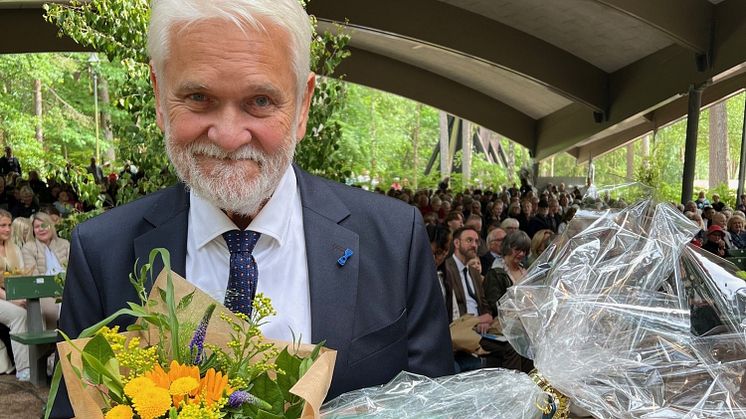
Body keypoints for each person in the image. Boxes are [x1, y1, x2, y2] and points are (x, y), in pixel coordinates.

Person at [51, 1, 453, 416]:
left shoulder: (392, 238)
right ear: (158, 96)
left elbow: (438, 406)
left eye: (260, 100)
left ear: (302, 104)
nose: (227, 136)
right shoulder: (102, 252)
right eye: (198, 97)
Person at [442, 226, 492, 372]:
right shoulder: (446, 268)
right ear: (456, 243)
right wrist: (477, 321)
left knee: (510, 347)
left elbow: (484, 304)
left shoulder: (473, 273)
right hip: (458, 329)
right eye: (469, 240)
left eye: (476, 241)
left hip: (479, 329)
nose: (474, 245)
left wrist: (486, 318)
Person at [0, 210, 31, 380]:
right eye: (2, 225)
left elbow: (23, 277)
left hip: (12, 295)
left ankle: (42, 363)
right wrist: (15, 300)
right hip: (4, 297)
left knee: (35, 310)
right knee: (19, 315)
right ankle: (24, 368)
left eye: (9, 225)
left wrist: (23, 298)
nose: (7, 229)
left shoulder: (15, 249)